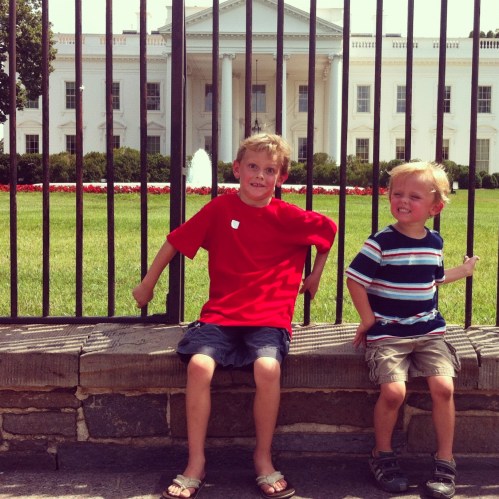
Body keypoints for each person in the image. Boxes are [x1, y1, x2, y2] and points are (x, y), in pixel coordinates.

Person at [133, 133, 337, 499]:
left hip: (269, 317)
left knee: (268, 368)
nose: (260, 176)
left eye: (270, 170)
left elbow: (328, 231)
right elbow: (176, 241)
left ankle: (263, 458)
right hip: (222, 315)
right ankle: (196, 462)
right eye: (253, 167)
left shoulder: (288, 216)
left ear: (282, 177)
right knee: (199, 366)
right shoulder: (220, 209)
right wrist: (148, 284)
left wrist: (315, 275)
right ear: (237, 169)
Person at [345, 162, 479, 499]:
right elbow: (354, 280)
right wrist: (368, 319)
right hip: (388, 334)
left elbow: (434, 278)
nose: (403, 201)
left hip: (428, 331)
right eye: (397, 194)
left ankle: (445, 460)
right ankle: (382, 454)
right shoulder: (381, 242)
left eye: (414, 197)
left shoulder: (434, 241)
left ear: (435, 208)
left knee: (444, 388)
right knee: (394, 393)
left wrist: (463, 271)